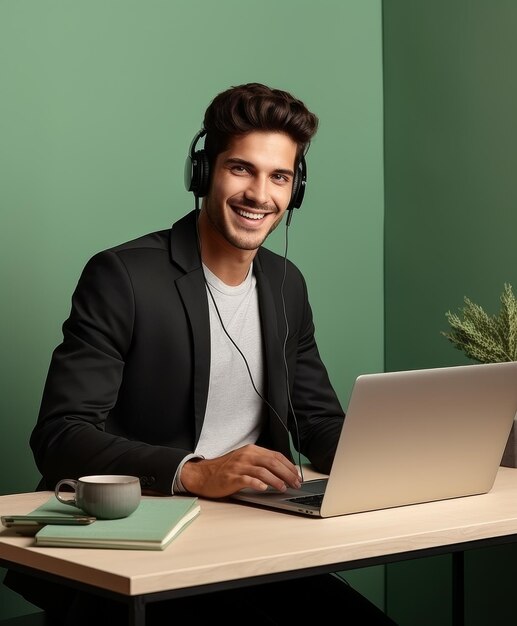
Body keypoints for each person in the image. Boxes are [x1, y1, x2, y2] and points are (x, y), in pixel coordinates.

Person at [4, 83, 397, 625]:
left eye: (279, 176)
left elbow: (319, 422)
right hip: (143, 547)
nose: (260, 194)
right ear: (204, 172)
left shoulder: (286, 286)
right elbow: (60, 436)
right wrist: (192, 472)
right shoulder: (123, 277)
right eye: (241, 169)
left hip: (251, 540)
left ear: (296, 188)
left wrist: (395, 464)